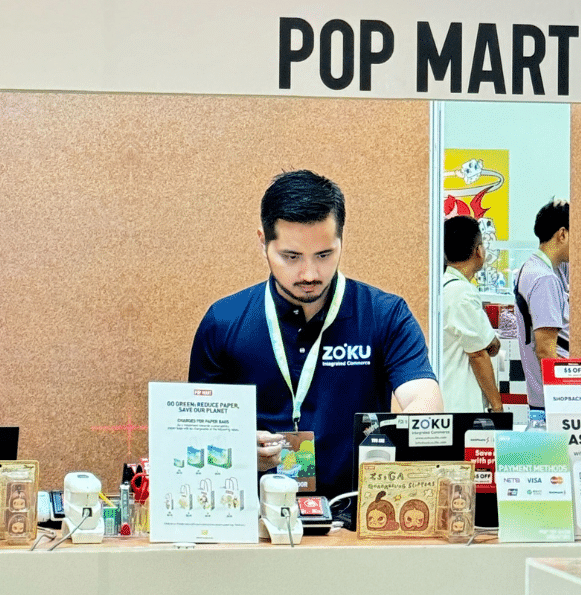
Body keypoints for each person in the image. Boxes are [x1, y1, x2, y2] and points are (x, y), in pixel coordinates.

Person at [188, 170, 442, 499]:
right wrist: (234, 450)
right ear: (263, 242)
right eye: (291, 257)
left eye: (324, 255)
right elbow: (195, 430)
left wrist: (389, 449)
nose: (309, 274)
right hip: (252, 514)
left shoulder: (384, 314)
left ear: (341, 241)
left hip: (352, 517)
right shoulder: (223, 321)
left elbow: (425, 399)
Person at [441, 215, 503, 412]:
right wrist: (497, 405)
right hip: (460, 402)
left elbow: (489, 345)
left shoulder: (442, 286)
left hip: (445, 395)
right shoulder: (462, 292)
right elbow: (479, 354)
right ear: (478, 251)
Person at [514, 199, 570, 413]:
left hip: (544, 396)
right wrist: (565, 398)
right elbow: (546, 349)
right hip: (553, 401)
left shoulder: (533, 268)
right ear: (562, 234)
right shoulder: (544, 279)